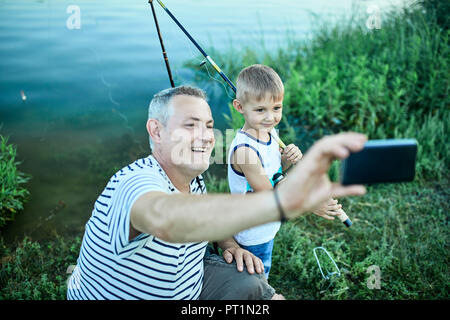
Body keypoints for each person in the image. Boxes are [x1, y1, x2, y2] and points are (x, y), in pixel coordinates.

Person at [66, 85, 367, 300]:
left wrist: (229, 244)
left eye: (209, 126)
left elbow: (202, 219)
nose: (206, 136)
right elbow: (166, 218)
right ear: (156, 131)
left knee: (253, 283)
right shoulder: (134, 182)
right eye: (190, 125)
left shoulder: (194, 184)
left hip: (191, 287)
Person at [228, 64, 346, 279]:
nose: (270, 118)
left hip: (266, 225)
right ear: (239, 106)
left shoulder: (269, 133)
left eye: (276, 108)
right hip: (251, 233)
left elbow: (274, 173)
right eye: (260, 110)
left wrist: (284, 161)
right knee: (256, 280)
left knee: (261, 272)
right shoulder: (245, 151)